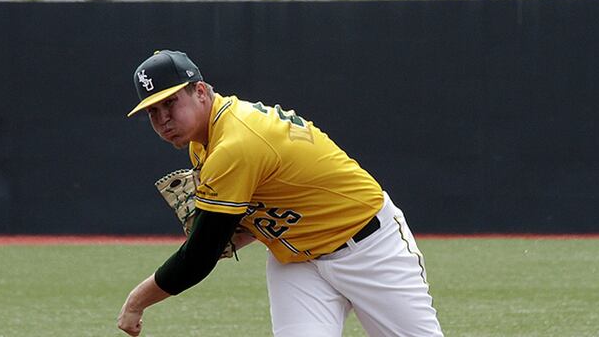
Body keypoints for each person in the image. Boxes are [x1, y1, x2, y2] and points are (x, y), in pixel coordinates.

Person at [118, 50, 443, 337]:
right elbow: (254, 215)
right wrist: (227, 233)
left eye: (170, 102)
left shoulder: (235, 144)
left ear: (200, 91)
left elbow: (198, 258)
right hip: (298, 262)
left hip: (368, 247)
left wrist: (136, 302)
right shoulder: (204, 143)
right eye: (152, 111)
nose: (163, 118)